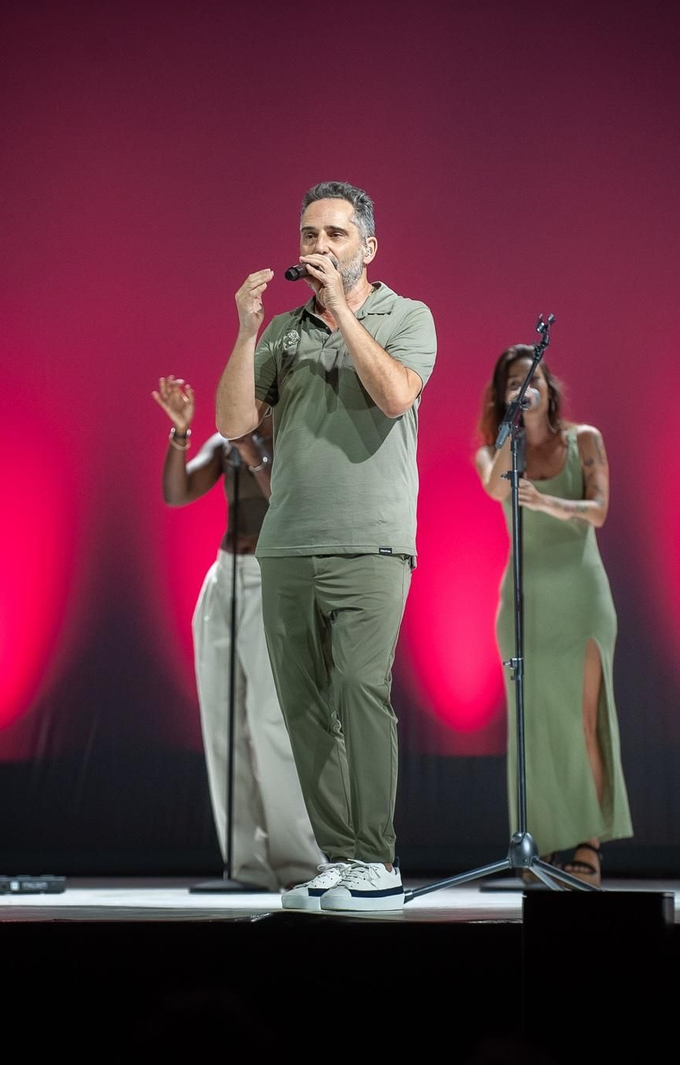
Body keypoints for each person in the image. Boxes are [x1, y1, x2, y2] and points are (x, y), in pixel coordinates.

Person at [214, 181, 436, 913]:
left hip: (371, 543)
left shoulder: (407, 316)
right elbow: (237, 421)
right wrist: (248, 332)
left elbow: (396, 394)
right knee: (302, 707)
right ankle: (340, 856)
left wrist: (341, 310)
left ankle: (377, 856)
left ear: (367, 247)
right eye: (310, 235)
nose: (319, 248)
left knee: (361, 691)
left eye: (336, 236)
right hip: (287, 544)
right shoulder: (284, 331)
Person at [153, 374, 323, 890]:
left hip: (274, 578)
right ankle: (244, 865)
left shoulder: (300, 434)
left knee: (271, 724)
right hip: (225, 577)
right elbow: (176, 492)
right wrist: (181, 434)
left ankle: (298, 864)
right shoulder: (226, 438)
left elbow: (286, 499)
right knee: (223, 723)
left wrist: (251, 447)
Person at [473, 345, 631, 886]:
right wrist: (510, 430)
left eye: (531, 376)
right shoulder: (496, 452)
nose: (525, 384)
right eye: (513, 380)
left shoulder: (584, 440)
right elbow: (494, 485)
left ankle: (588, 845)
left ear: (549, 385)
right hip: (524, 600)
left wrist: (547, 503)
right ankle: (537, 845)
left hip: (581, 596)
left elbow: (600, 509)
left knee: (582, 719)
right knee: (532, 728)